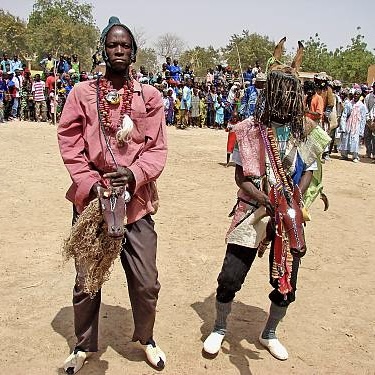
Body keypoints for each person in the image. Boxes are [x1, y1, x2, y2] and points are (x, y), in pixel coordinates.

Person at [203, 38, 325, 362]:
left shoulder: (305, 132)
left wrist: (291, 199)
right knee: (230, 275)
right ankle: (218, 327)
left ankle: (269, 332)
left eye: (291, 93)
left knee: (287, 283)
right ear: (272, 94)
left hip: (287, 214)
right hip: (253, 210)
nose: (286, 101)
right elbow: (240, 177)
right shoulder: (248, 130)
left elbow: (310, 170)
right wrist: (265, 199)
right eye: (281, 93)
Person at [57, 16, 167, 374]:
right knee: (86, 278)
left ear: (133, 51)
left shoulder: (150, 97)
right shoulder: (81, 94)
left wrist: (134, 174)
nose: (118, 50)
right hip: (91, 203)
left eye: (124, 45)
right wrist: (90, 184)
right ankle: (83, 346)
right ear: (103, 50)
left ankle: (146, 339)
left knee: (146, 280)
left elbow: (157, 149)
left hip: (135, 203)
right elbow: (69, 140)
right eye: (112, 45)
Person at [339, 88, 366, 163]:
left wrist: (361, 130)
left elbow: (363, 118)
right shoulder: (349, 104)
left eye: (358, 94)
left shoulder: (362, 106)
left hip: (357, 126)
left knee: (355, 140)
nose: (356, 96)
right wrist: (343, 126)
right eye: (355, 94)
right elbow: (344, 115)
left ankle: (355, 156)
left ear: (360, 95)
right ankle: (344, 155)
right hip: (348, 125)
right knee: (345, 139)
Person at [364, 82, 375, 159]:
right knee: (367, 136)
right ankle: (368, 152)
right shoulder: (368, 97)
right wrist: (368, 118)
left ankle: (374, 153)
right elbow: (365, 107)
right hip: (368, 120)